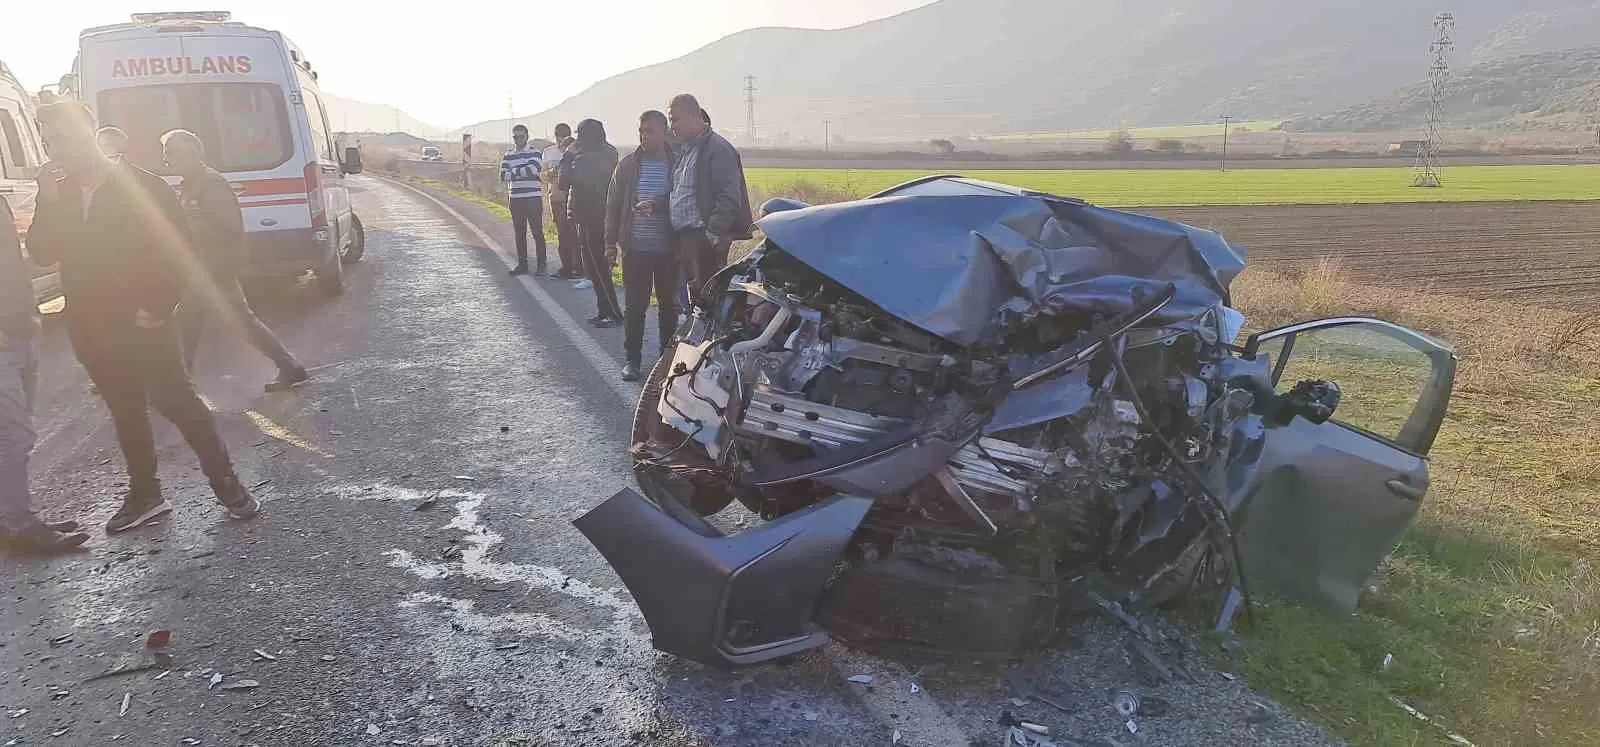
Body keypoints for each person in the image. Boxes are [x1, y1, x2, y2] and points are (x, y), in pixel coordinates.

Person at [26, 101, 259, 534]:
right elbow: (42, 253)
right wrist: (48, 197)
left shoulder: (143, 185)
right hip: (90, 325)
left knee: (178, 403)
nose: (55, 149)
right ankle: (146, 494)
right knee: (125, 409)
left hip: (142, 321)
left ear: (87, 131)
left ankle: (227, 483)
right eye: (48, 141)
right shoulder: (62, 191)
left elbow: (178, 250)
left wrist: (157, 306)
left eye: (62, 138)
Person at [164, 129, 309, 391]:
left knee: (191, 316)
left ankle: (179, 380)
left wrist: (203, 236)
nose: (166, 159)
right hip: (203, 263)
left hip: (213, 264)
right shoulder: (191, 182)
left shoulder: (210, 182)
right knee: (221, 319)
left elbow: (230, 227)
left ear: (192, 152)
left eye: (171, 152)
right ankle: (290, 367)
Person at [0, 197, 89, 555]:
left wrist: (30, 312)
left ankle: (11, 517)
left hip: (20, 327)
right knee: (14, 436)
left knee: (10, 436)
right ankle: (20, 526)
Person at [606, 111, 678, 382]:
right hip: (635, 249)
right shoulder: (627, 166)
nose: (644, 136)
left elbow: (684, 200)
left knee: (669, 307)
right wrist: (609, 244)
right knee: (635, 307)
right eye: (641, 130)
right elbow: (612, 207)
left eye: (650, 131)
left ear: (665, 133)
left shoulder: (677, 164)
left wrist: (657, 205)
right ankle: (632, 361)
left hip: (669, 250)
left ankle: (666, 362)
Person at [666, 94, 753, 308]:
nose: (672, 126)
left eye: (675, 119)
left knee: (708, 299)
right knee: (695, 297)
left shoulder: (718, 149)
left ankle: (712, 341)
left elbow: (729, 197)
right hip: (687, 236)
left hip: (703, 238)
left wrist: (712, 233)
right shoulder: (687, 150)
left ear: (693, 116)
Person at [558, 118, 622, 328]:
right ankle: (604, 310)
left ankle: (613, 313)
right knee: (593, 268)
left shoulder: (591, 156)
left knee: (598, 267)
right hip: (589, 215)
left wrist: (568, 156)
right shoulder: (608, 152)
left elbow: (564, 181)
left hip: (594, 216)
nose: (577, 140)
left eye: (579, 135)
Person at [500, 124, 548, 275]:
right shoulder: (508, 154)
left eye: (521, 136)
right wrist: (523, 171)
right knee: (519, 232)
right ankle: (522, 264)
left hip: (533, 198)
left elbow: (534, 169)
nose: (518, 140)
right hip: (515, 198)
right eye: (515, 137)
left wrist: (513, 172)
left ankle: (541, 264)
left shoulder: (535, 153)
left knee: (537, 232)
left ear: (527, 136)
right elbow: (502, 176)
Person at [542, 123, 581, 280]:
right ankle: (566, 267)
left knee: (575, 235)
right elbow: (543, 175)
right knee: (562, 234)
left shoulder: (577, 151)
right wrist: (553, 172)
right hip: (556, 199)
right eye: (559, 138)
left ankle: (578, 268)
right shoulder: (548, 152)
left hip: (573, 198)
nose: (561, 142)